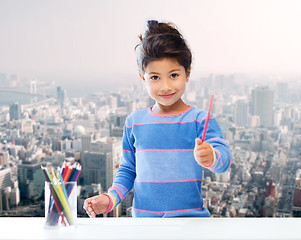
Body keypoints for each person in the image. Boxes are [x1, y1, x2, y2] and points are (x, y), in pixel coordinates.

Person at [84, 20, 232, 218]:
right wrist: (110, 199)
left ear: (187, 74)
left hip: (191, 223)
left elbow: (224, 162)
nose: (165, 86)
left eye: (173, 75)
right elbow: (128, 170)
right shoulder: (134, 122)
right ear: (142, 77)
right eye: (155, 77)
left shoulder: (200, 120)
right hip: (145, 225)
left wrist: (212, 157)